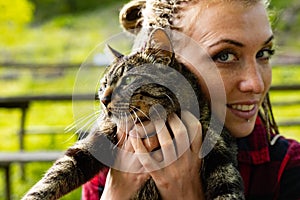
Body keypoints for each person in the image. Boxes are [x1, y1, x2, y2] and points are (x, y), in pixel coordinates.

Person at [82, 0, 300, 199]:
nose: (256, 84)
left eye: (263, 53)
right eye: (224, 56)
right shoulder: (105, 166)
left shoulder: (288, 170)